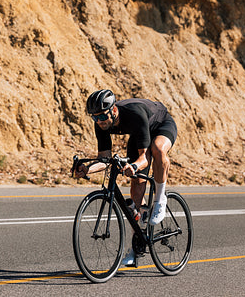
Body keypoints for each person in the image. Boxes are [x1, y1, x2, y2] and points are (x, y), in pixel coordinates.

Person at [74, 89, 178, 266]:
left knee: (158, 149)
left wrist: (135, 166)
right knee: (136, 189)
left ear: (113, 110)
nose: (98, 121)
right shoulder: (101, 125)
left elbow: (145, 158)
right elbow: (104, 159)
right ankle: (134, 249)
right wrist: (86, 170)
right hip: (139, 134)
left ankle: (160, 200)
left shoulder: (134, 113)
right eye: (94, 118)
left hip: (161, 125)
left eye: (101, 117)